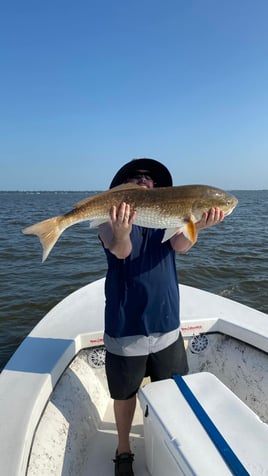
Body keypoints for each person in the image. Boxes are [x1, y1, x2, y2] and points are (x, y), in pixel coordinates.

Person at [99, 158, 225, 476]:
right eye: (135, 177)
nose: (143, 180)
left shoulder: (166, 215)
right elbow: (120, 251)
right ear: (122, 185)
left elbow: (181, 245)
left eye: (149, 178)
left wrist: (199, 224)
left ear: (157, 187)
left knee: (170, 389)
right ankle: (124, 448)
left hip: (167, 321)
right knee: (124, 394)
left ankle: (171, 439)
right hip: (126, 322)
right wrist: (122, 231)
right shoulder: (109, 217)